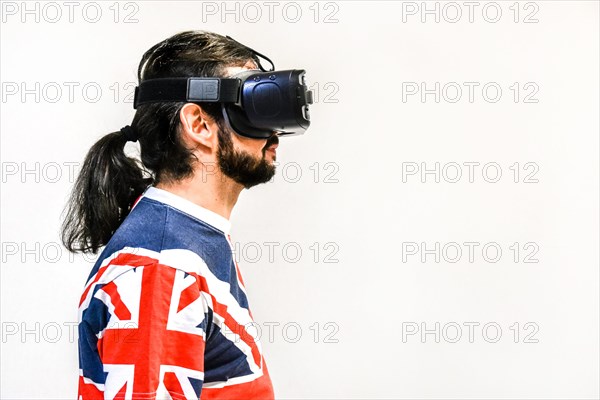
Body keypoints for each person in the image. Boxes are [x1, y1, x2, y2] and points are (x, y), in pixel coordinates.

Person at [61, 30, 283, 399]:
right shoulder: (162, 269)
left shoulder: (190, 239)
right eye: (252, 106)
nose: (274, 132)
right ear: (199, 125)